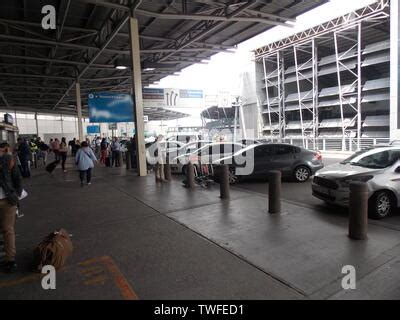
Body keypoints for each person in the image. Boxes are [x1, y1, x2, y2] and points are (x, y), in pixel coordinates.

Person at [0, 142, 23, 273]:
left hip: (7, 199)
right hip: (8, 199)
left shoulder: (8, 159)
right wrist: (17, 195)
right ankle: (10, 260)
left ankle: (9, 257)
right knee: (8, 230)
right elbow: (17, 178)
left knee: (6, 230)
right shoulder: (9, 159)